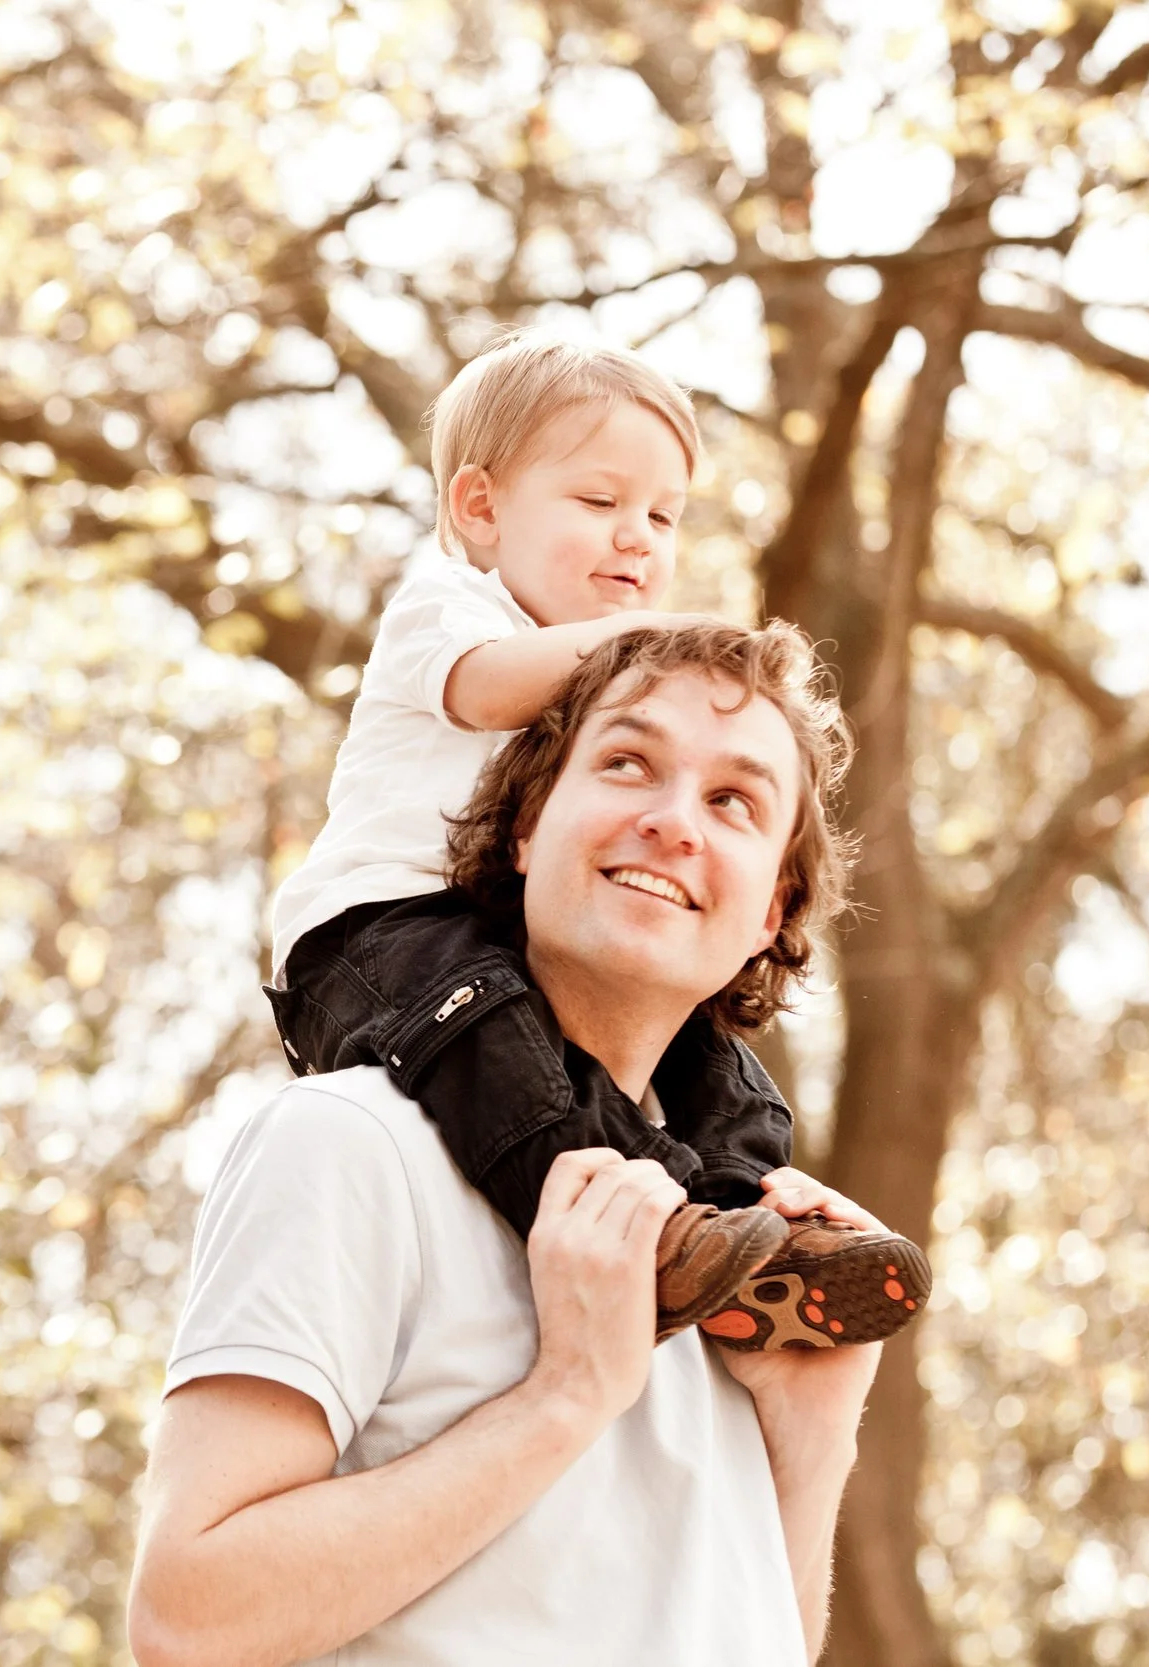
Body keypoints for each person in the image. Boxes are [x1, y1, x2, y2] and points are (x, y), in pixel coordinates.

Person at [129, 624, 897, 1665]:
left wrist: (813, 1440)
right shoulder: (348, 1144)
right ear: (530, 822)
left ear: (772, 908)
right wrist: (566, 1393)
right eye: (627, 762)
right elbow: (188, 1618)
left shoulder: (731, 1251)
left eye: (733, 801)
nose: (672, 822)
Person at [266, 328, 926, 1343]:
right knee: (490, 1035)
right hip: (374, 933)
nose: (638, 540)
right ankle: (642, 1231)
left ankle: (755, 1211)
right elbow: (485, 688)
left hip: (489, 928)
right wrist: (651, 639)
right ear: (479, 509)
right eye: (600, 503)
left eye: (662, 516)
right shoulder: (449, 606)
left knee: (716, 1056)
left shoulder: (602, 673)